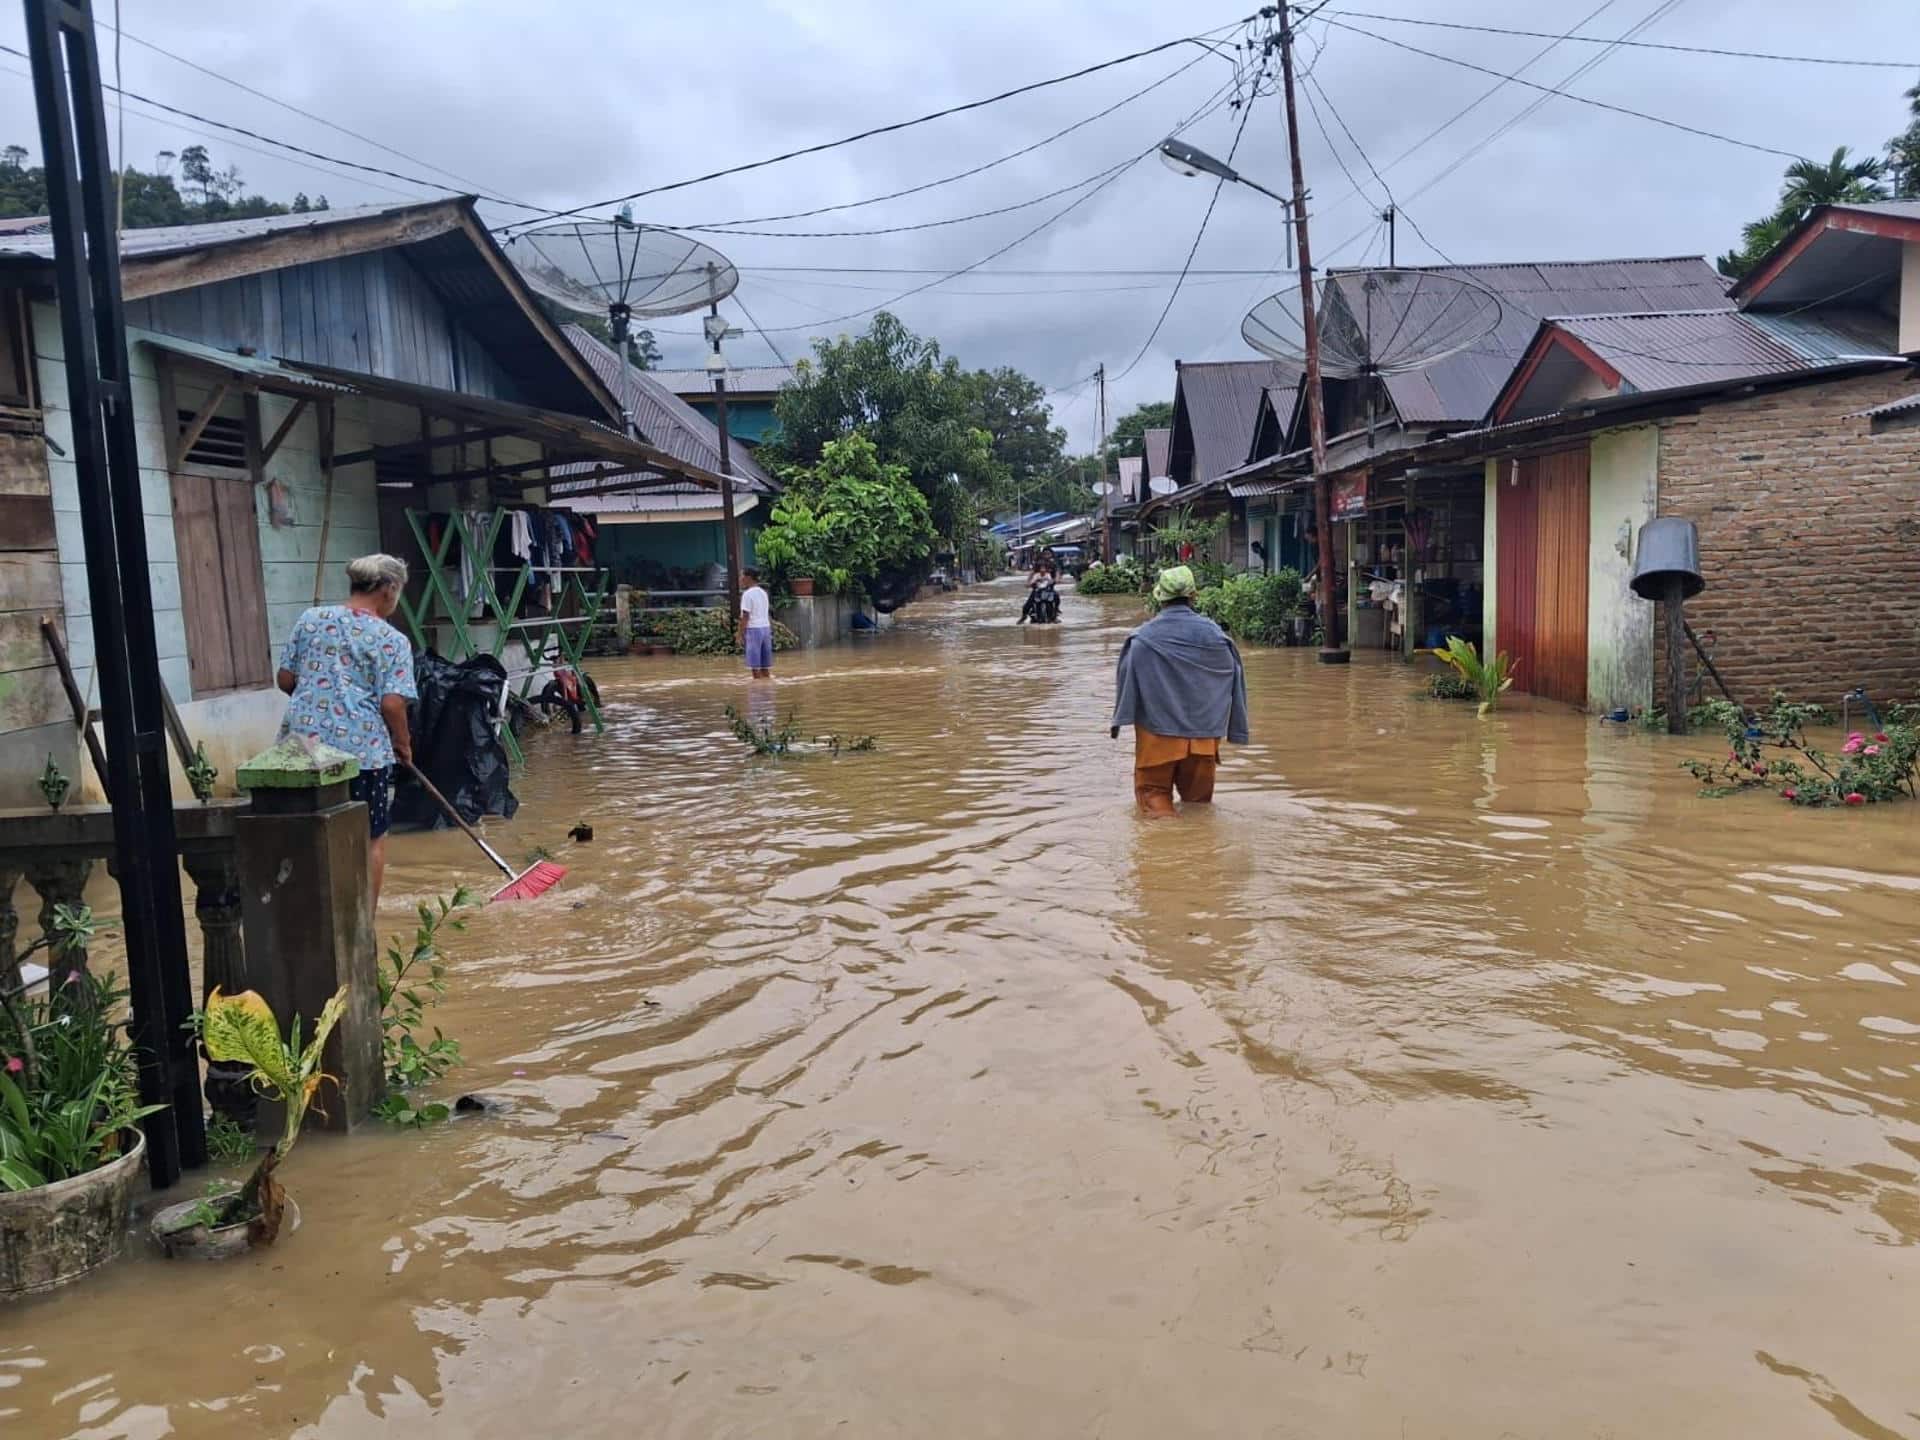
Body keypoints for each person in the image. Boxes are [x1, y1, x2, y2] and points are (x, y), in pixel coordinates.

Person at [276, 553, 417, 909]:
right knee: (369, 839)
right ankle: (362, 925)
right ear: (388, 590)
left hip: (300, 752)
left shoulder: (310, 620)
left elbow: (286, 679)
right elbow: (391, 704)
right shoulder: (392, 640)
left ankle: (307, 914)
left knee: (303, 835)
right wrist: (403, 743)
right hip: (363, 757)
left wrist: (317, 702)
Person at [1109, 564, 1249, 818]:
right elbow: (1235, 686)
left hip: (1157, 740)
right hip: (1204, 741)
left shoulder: (1141, 640)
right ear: (1194, 595)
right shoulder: (1219, 639)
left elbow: (1127, 689)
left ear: (1159, 596)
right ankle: (1201, 855)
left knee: (1154, 801)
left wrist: (1118, 724)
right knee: (1199, 811)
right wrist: (1236, 730)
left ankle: (1170, 854)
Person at [739, 566, 774, 678]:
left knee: (755, 668)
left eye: (742, 575)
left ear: (748, 577)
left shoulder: (747, 594)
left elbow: (745, 616)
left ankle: (758, 691)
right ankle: (767, 689)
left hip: (753, 630)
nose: (741, 578)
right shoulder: (763, 593)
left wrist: (740, 634)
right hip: (765, 629)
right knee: (765, 668)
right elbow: (766, 613)